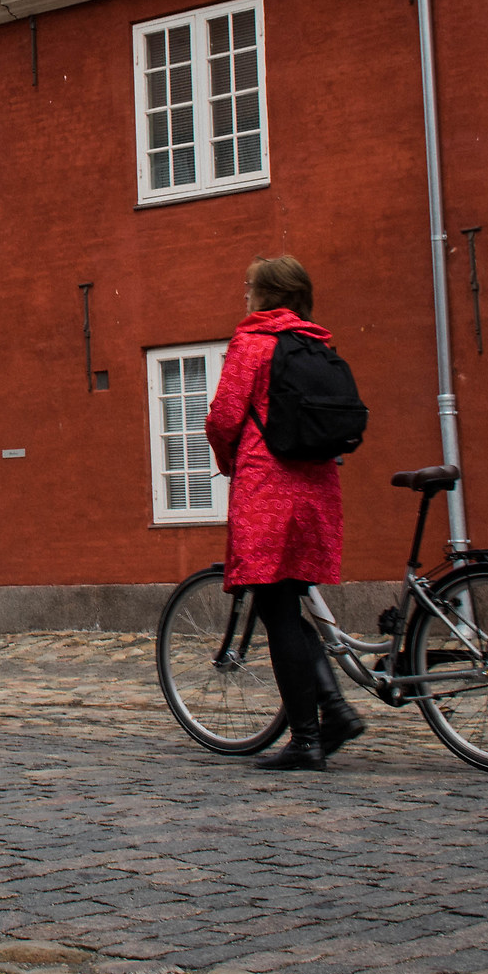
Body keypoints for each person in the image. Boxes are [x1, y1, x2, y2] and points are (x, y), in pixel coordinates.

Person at [202, 254, 367, 771]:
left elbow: (224, 417)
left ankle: (307, 739)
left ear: (266, 293)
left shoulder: (252, 344)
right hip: (317, 488)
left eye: (248, 285)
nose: (244, 293)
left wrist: (230, 464)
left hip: (268, 488)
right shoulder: (315, 343)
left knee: (276, 610)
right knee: (290, 603)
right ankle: (334, 711)